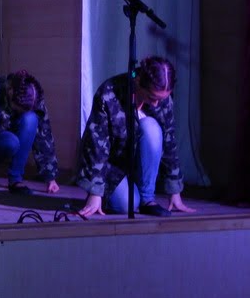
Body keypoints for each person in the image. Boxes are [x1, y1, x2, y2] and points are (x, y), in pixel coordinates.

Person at [77, 56, 195, 218]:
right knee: (127, 205)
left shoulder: (162, 101)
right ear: (138, 82)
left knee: (151, 127)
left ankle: (147, 199)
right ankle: (119, 195)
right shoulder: (110, 93)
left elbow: (169, 142)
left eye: (161, 99)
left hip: (140, 166)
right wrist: (95, 192)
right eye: (152, 97)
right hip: (112, 167)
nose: (156, 104)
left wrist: (174, 190)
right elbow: (96, 145)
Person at [0, 70, 59, 195]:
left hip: (13, 135)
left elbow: (44, 134)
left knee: (31, 119)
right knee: (10, 142)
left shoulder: (33, 95)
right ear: (10, 91)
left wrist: (50, 176)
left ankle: (15, 179)